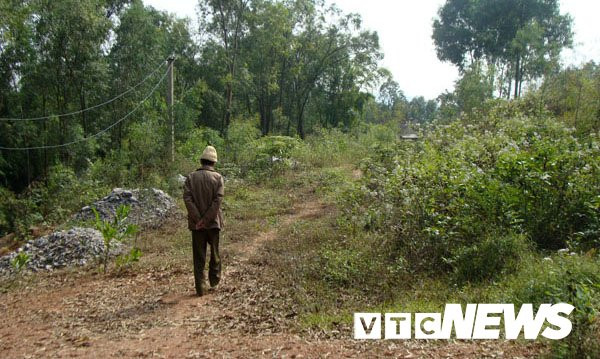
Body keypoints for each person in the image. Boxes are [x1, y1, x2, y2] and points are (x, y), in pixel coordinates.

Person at [183, 145, 224, 296]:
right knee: (215, 253)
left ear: (201, 161)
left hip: (196, 226)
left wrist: (198, 219)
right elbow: (217, 201)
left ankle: (200, 288)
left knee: (199, 256)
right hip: (213, 224)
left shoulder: (191, 177)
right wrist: (207, 219)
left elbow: (187, 199)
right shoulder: (218, 178)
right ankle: (214, 280)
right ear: (213, 162)